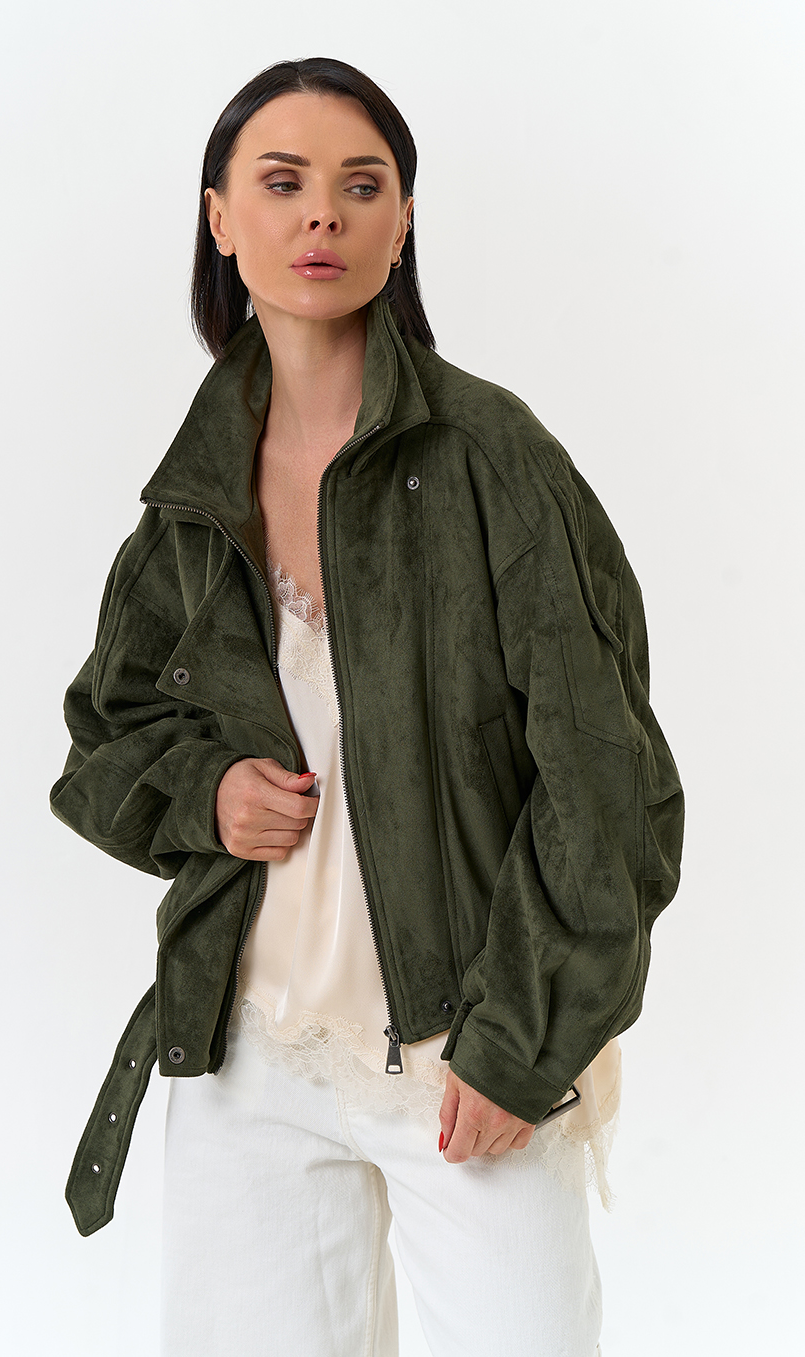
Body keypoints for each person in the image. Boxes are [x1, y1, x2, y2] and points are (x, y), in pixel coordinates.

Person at [50, 56, 683, 1357]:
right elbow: (107, 735)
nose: (321, 215)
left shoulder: (493, 459)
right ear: (222, 217)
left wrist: (521, 1044)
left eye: (361, 184)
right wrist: (209, 795)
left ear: (401, 223)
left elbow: (606, 783)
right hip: (248, 1055)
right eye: (283, 183)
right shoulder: (195, 491)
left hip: (471, 1049)